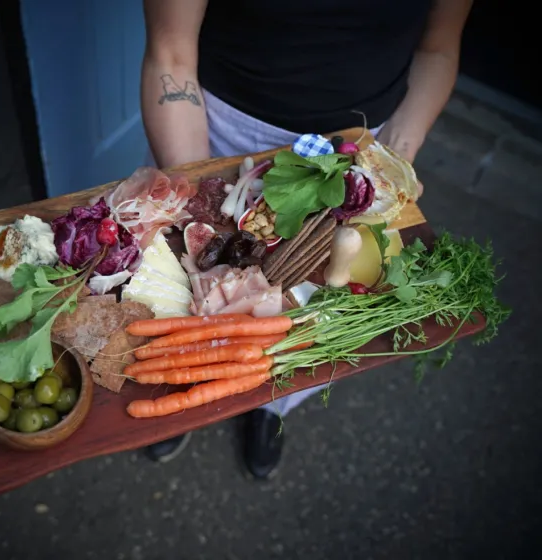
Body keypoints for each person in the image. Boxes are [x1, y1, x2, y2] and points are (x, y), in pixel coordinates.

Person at [139, 0, 473, 478]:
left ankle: (271, 406)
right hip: (213, 131)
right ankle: (183, 394)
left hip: (362, 146)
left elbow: (438, 50)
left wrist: (388, 165)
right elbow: (170, 53)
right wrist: (202, 201)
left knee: (314, 306)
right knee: (187, 298)